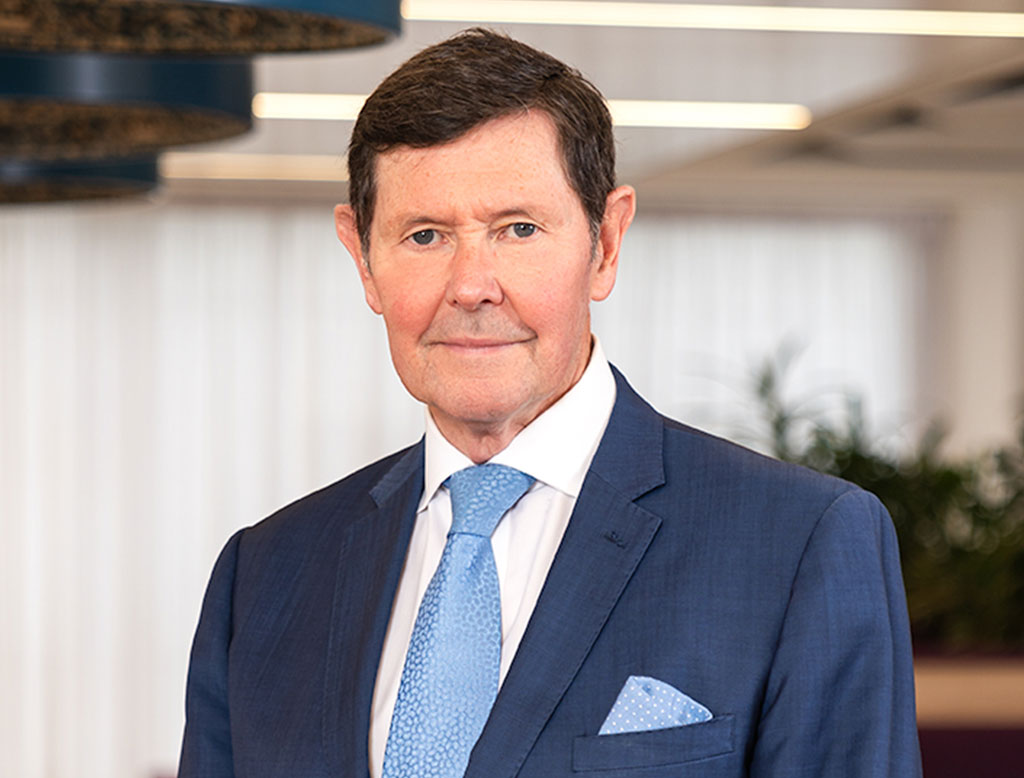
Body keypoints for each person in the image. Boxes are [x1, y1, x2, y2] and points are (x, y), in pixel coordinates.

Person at [179, 29, 921, 777]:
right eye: (426, 235)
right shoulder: (267, 577)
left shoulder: (798, 545)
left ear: (606, 243)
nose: (471, 286)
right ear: (363, 259)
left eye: (519, 229)